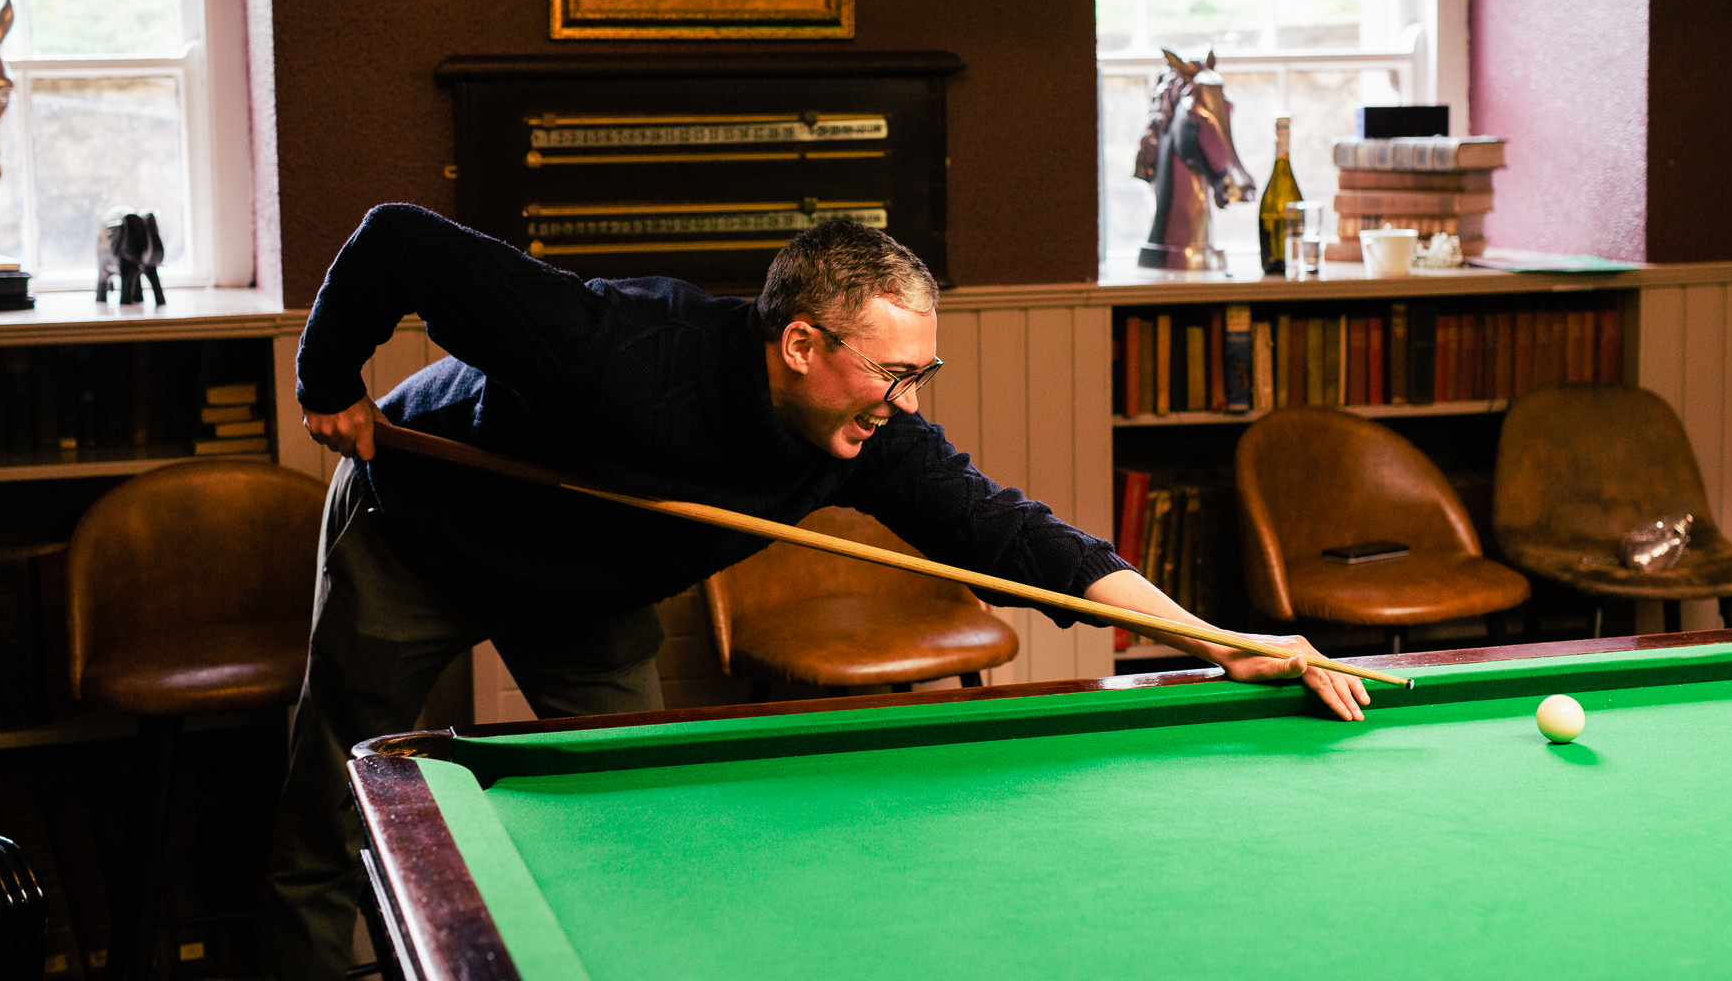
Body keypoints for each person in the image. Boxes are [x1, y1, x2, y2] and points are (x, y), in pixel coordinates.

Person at [261, 203, 1369, 980]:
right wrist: (328, 385)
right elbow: (397, 239)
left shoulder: (862, 437)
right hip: (423, 525)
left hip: (586, 585)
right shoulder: (618, 346)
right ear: (799, 341)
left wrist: (1212, 638)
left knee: (629, 810)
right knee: (339, 799)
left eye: (918, 375)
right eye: (891, 372)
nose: (904, 398)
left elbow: (1015, 537)